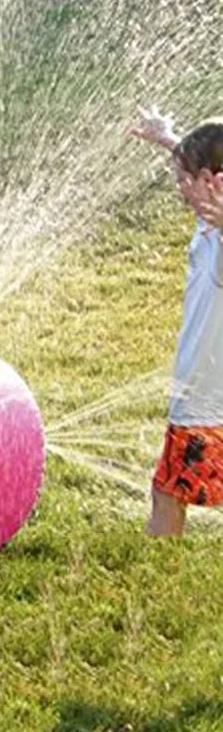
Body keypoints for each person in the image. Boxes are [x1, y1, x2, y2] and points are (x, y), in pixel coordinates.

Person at [130, 107, 223, 536]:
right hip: (206, 401)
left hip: (204, 403)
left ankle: (152, 572)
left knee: (168, 493)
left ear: (211, 182)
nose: (180, 188)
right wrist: (170, 139)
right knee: (168, 489)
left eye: (187, 180)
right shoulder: (210, 226)